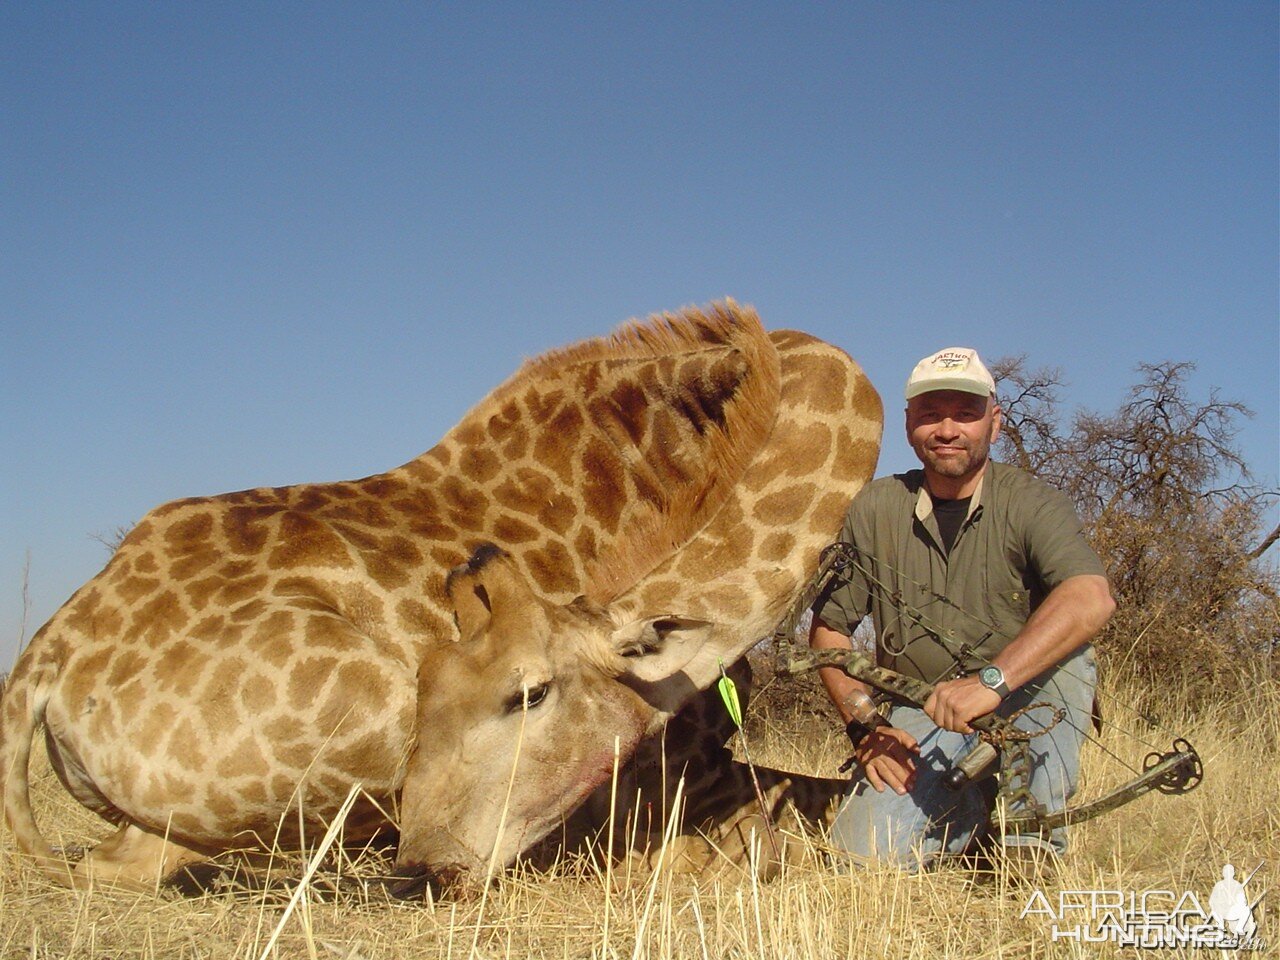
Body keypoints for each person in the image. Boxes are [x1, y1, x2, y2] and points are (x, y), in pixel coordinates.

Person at [810, 346, 1115, 870]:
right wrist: (865, 726)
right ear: (909, 425)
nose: (947, 429)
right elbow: (830, 631)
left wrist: (991, 682)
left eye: (965, 414)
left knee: (1069, 664)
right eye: (930, 414)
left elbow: (1090, 597)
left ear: (994, 424)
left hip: (1027, 693)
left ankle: (1030, 842)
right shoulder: (876, 506)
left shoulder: (1033, 502)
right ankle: (970, 806)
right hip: (924, 709)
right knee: (861, 860)